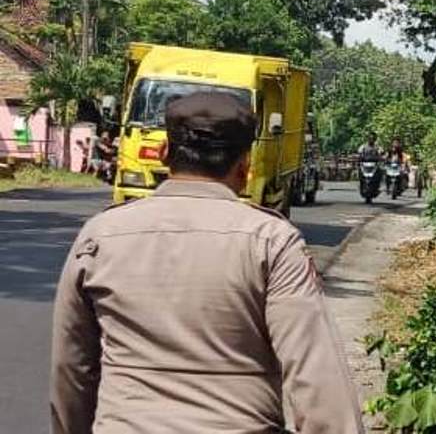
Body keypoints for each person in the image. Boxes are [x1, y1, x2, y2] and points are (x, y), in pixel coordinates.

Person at [50, 91, 364, 434]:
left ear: (164, 154)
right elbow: (317, 379)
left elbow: (72, 369)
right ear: (245, 168)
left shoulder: (100, 236)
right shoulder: (272, 242)